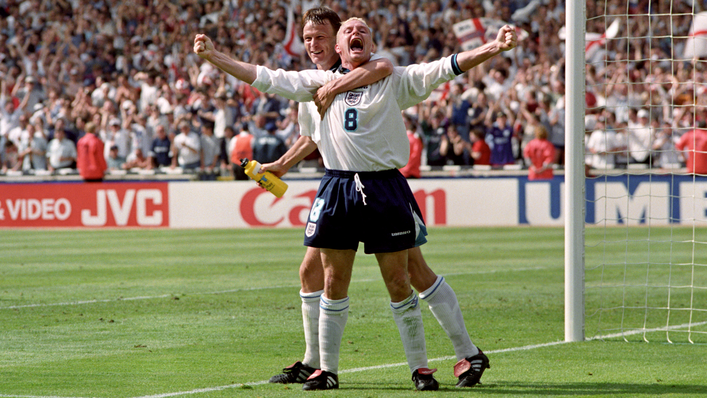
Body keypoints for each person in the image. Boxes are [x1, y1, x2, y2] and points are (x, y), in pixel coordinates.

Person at [194, 13, 515, 391]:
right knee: (325, 275)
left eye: (361, 30)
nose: (353, 33)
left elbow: (445, 67)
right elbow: (267, 78)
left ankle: (439, 360)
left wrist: (494, 46)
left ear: (358, 45)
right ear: (340, 46)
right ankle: (322, 365)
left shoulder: (389, 77)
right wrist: (215, 58)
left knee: (405, 276)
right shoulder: (316, 83)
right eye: (347, 31)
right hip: (339, 186)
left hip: (385, 188)